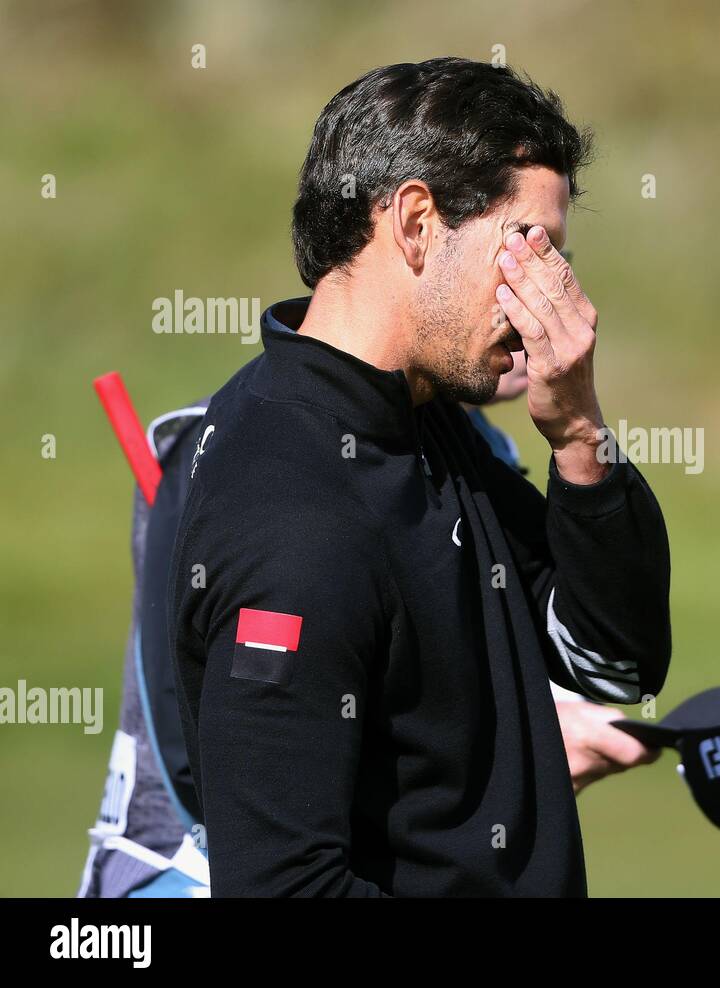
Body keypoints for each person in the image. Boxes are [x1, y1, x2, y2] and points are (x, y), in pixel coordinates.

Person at [167, 57, 672, 897]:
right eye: (528, 249)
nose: (548, 297)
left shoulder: (421, 418)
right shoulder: (292, 507)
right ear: (415, 223)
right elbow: (282, 887)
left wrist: (579, 434)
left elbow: (614, 661)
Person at [464, 357, 663, 796]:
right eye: (509, 296)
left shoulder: (484, 439)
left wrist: (562, 707)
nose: (529, 337)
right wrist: (526, 734)